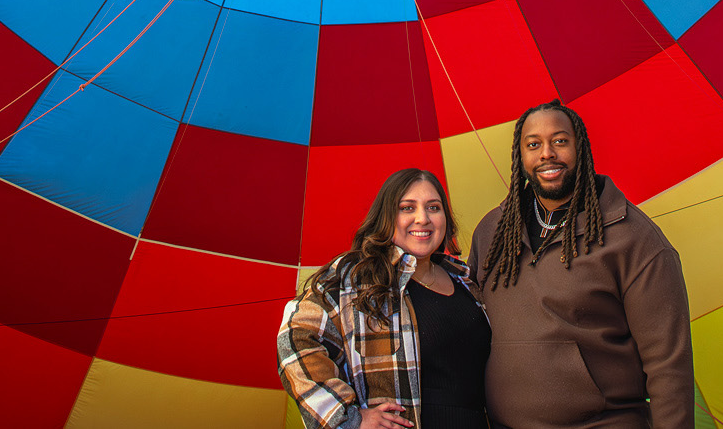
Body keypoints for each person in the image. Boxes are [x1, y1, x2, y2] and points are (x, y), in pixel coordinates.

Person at [469, 100, 693, 429]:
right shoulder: (491, 231)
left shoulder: (633, 238)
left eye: (560, 141)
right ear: (521, 157)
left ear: (581, 148)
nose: (547, 153)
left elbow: (669, 368)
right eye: (533, 144)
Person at [279, 168, 491, 429]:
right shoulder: (356, 276)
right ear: (386, 217)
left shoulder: (466, 281)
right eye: (407, 208)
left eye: (433, 208)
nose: (422, 218)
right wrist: (348, 419)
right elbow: (294, 338)